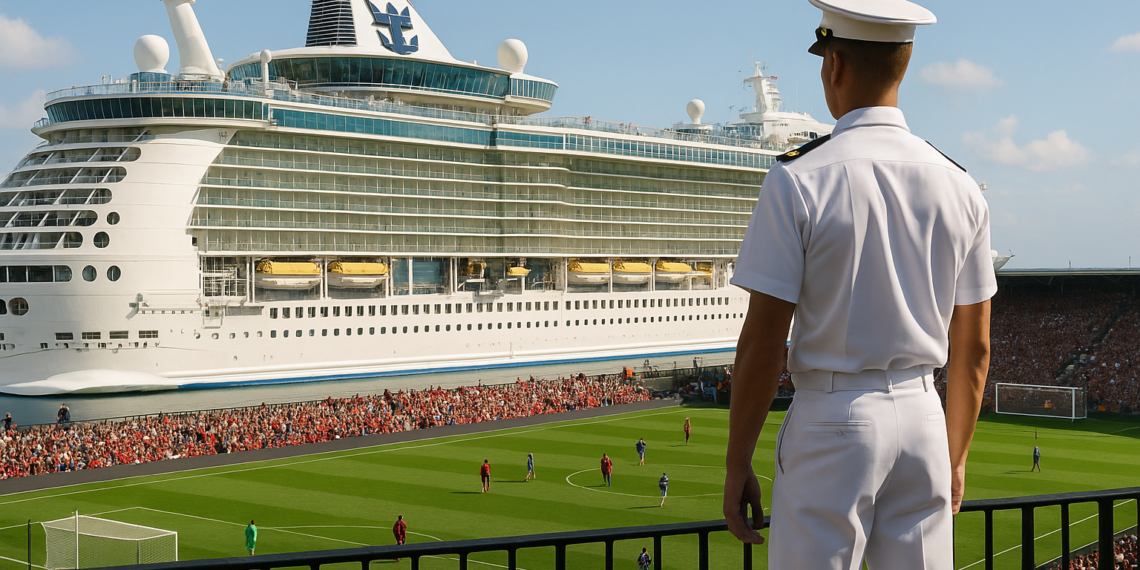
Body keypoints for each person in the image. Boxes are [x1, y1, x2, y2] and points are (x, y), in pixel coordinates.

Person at [722, 0, 996, 567]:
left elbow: (763, 342)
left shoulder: (799, 178)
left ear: (834, 66)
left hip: (832, 420)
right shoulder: (960, 184)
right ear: (906, 62)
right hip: (925, 418)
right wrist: (957, 455)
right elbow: (974, 349)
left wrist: (736, 462)